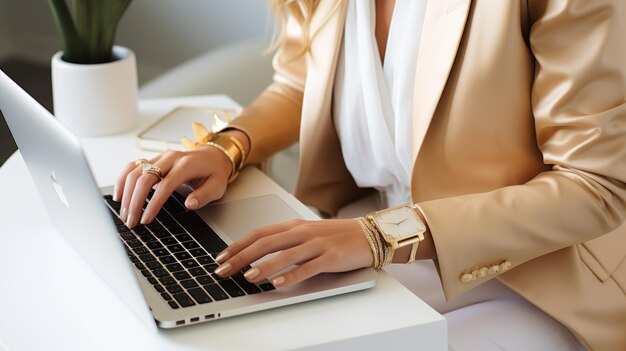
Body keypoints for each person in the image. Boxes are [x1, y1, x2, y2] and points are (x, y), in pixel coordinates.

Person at [115, 0, 626, 349]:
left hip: (542, 277)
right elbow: (303, 83)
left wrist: (382, 236)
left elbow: (596, 185)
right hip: (365, 237)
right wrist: (228, 146)